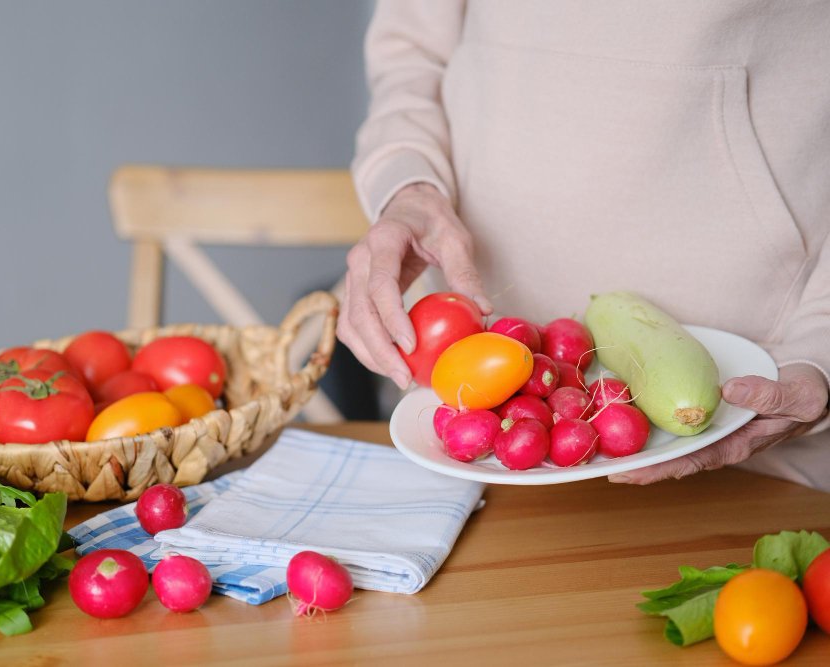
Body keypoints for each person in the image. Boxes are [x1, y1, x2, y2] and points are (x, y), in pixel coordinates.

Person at [337, 1, 830, 489]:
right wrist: (411, 186)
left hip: (760, 430)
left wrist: (821, 350)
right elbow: (411, 51)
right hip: (481, 464)